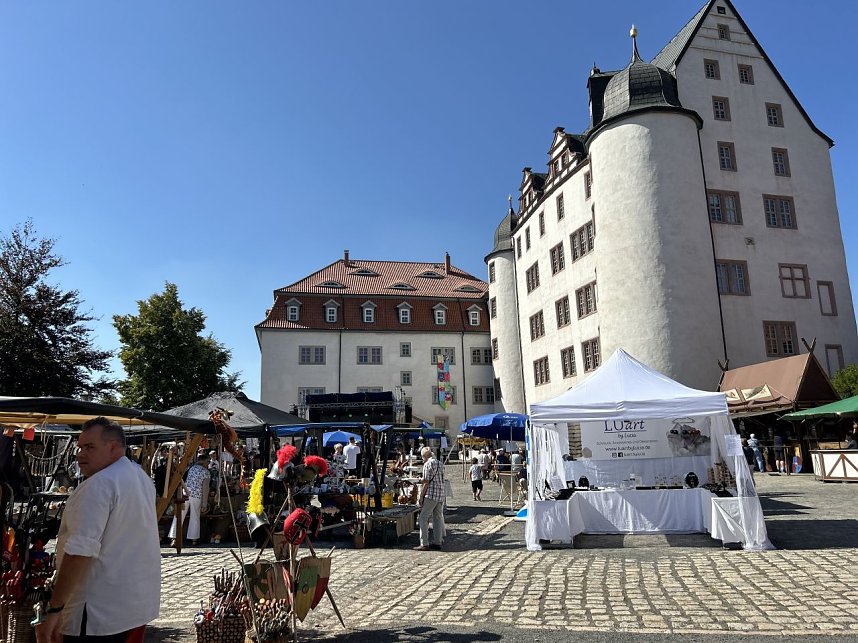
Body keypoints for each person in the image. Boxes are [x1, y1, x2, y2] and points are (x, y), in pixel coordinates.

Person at [36, 417, 160, 643]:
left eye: (89, 447)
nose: (80, 454)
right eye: (80, 447)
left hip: (99, 612)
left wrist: (55, 611)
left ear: (112, 447)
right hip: (131, 605)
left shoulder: (100, 484)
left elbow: (79, 553)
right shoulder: (139, 476)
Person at [168, 452, 210, 547]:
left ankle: (174, 538)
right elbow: (205, 488)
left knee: (179, 515)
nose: (208, 464)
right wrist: (204, 502)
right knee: (195, 516)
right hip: (197, 495)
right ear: (204, 462)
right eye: (208, 461)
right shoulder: (206, 472)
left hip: (186, 493)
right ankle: (194, 539)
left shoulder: (192, 469)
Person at [414, 446, 445, 551]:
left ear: (424, 456)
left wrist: (421, 496)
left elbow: (426, 482)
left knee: (423, 517)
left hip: (431, 494)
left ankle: (424, 543)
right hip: (440, 494)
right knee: (437, 518)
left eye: (422, 457)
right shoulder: (440, 464)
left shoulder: (427, 464)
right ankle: (438, 542)